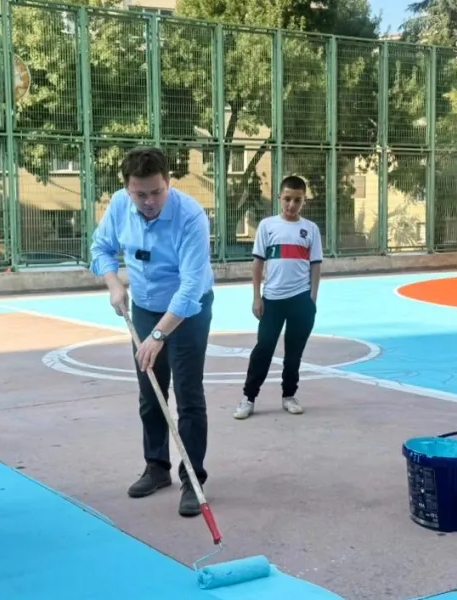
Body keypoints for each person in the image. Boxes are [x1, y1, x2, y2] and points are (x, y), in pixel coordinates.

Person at [89, 146, 215, 517]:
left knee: (188, 394)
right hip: (144, 306)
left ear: (168, 182)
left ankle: (192, 478)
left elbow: (191, 286)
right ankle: (156, 467)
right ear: (127, 188)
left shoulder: (190, 216)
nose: (148, 202)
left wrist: (159, 336)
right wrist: (114, 283)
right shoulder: (118, 205)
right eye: (139, 194)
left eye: (156, 192)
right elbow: (101, 248)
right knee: (151, 390)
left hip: (188, 311)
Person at [233, 175, 322, 420]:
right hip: (272, 300)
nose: (292, 205)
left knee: (294, 353)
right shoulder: (267, 226)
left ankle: (289, 395)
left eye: (297, 200)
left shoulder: (311, 230)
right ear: (279, 198)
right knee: (263, 349)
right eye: (287, 199)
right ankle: (248, 398)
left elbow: (315, 265)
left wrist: (312, 299)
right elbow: (257, 263)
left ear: (304, 201)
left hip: (300, 300)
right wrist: (257, 297)